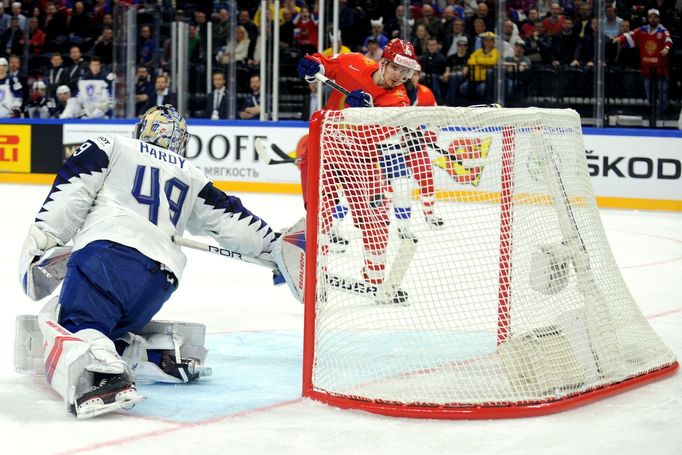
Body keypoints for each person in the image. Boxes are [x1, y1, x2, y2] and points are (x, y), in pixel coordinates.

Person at [18, 104, 277, 419]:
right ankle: (155, 351)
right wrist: (275, 247)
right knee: (106, 325)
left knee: (74, 322)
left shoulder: (110, 145)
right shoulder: (190, 173)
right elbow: (234, 223)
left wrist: (43, 240)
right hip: (158, 283)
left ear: (142, 128)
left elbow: (72, 194)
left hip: (107, 257)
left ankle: (107, 373)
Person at [297, 38, 419, 287]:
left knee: (372, 219)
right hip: (325, 151)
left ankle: (374, 276)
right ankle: (314, 272)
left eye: (405, 71)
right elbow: (324, 64)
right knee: (318, 215)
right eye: (396, 67)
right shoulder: (354, 62)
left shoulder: (400, 100)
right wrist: (313, 69)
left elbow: (379, 130)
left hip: (360, 160)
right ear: (383, 62)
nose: (399, 76)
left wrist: (368, 111)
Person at [613, 8, 672, 116]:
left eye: (655, 17)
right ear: (648, 18)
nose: (653, 19)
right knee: (649, 93)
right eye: (651, 17)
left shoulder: (663, 30)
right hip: (647, 69)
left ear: (658, 18)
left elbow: (669, 40)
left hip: (661, 69)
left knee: (663, 92)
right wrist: (620, 38)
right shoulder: (642, 29)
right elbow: (630, 34)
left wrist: (667, 48)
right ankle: (653, 113)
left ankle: (663, 113)